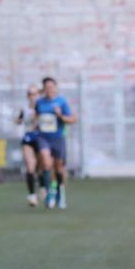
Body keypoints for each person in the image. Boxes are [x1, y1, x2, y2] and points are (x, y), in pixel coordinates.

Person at [35, 77, 77, 210]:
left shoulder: (61, 101)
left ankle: (60, 191)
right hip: (43, 138)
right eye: (46, 87)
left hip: (58, 138)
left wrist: (60, 116)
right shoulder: (39, 102)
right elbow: (35, 117)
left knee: (59, 168)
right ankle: (49, 193)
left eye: (51, 87)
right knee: (46, 163)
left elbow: (72, 119)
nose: (49, 89)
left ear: (55, 87)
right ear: (43, 88)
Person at [15, 84, 43, 207]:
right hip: (28, 139)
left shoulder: (44, 107)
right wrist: (20, 119)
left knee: (41, 167)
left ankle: (44, 186)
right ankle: (32, 195)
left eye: (35, 94)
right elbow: (18, 120)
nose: (33, 96)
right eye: (30, 94)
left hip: (42, 139)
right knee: (30, 166)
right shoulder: (25, 109)